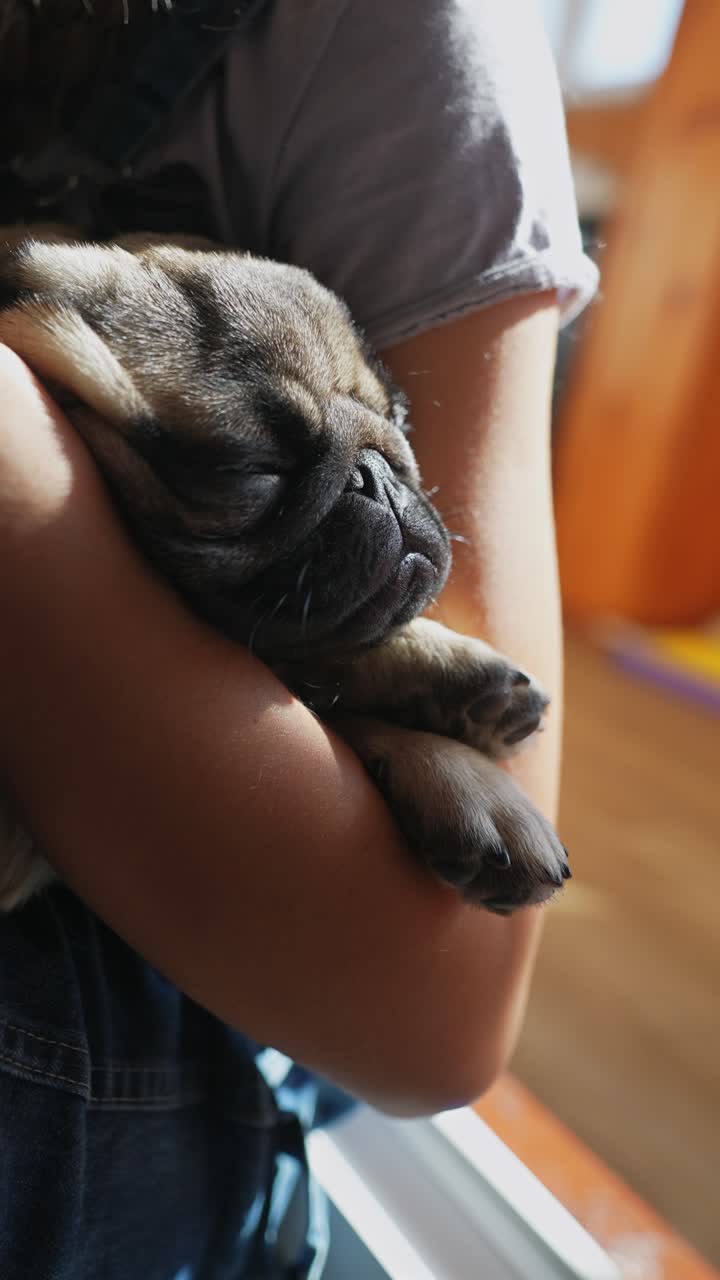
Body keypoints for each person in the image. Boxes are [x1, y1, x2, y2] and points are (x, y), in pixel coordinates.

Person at [0, 1, 598, 1276]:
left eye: (391, 439)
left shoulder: (398, 46)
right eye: (260, 463)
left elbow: (442, 1017)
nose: (380, 505)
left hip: (184, 1002)